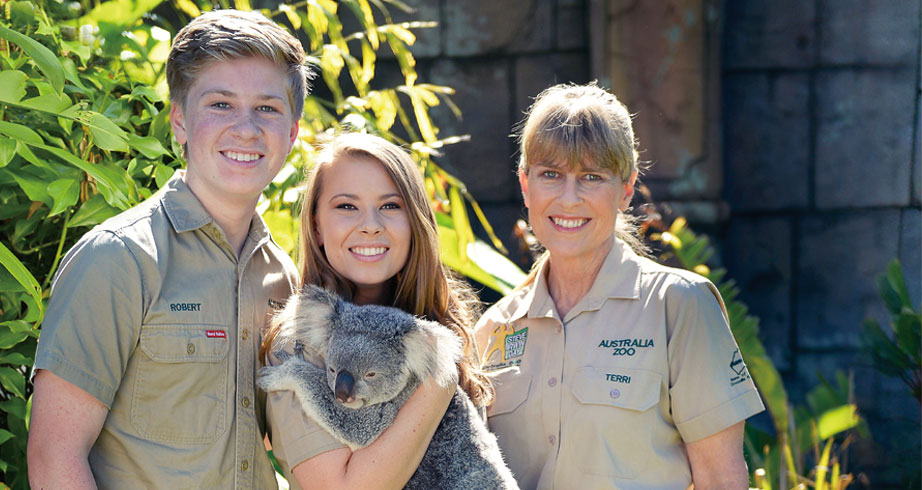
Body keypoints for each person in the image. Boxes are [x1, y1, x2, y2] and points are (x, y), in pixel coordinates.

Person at [27, 10, 310, 488]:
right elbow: (54, 458)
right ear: (179, 121)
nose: (246, 128)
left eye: (267, 107)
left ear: (293, 133)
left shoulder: (283, 279)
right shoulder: (117, 261)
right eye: (220, 104)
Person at [474, 83, 765, 489]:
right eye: (550, 175)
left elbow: (721, 478)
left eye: (591, 177)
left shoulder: (678, 307)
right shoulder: (492, 330)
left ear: (626, 189)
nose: (569, 198)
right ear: (525, 185)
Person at [259, 132, 493, 489]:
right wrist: (438, 378)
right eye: (346, 206)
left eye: (390, 206)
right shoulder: (300, 344)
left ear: (416, 221)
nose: (370, 225)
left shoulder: (440, 324)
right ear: (317, 225)